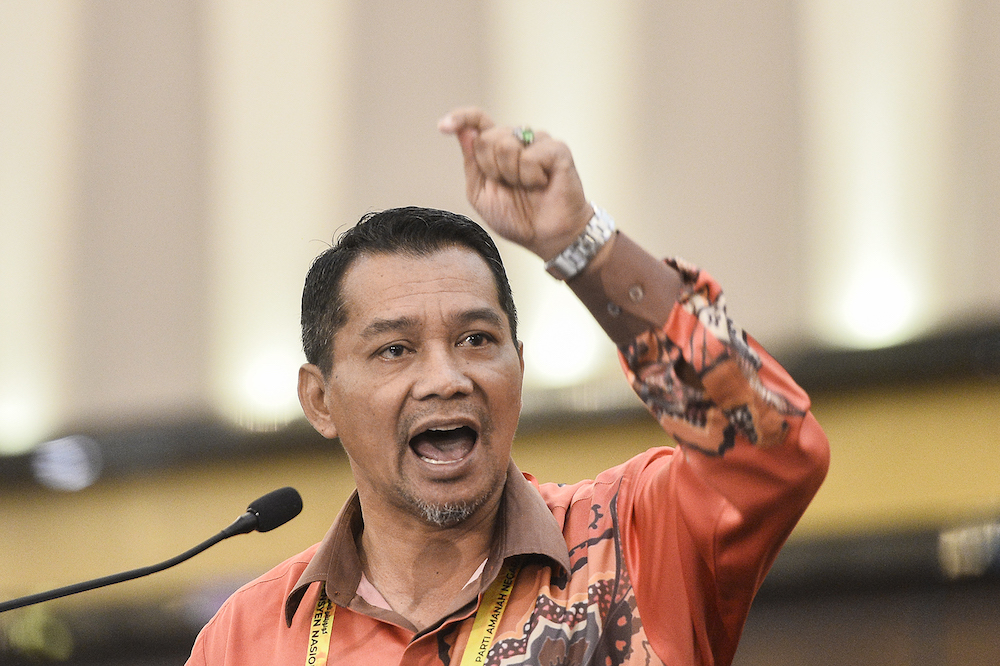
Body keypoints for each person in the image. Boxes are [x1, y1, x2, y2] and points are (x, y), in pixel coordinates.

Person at [185, 108, 829, 666]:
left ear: (518, 367)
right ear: (319, 400)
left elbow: (770, 451)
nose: (446, 378)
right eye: (395, 349)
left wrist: (582, 244)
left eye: (476, 340)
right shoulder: (249, 637)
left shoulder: (631, 541)